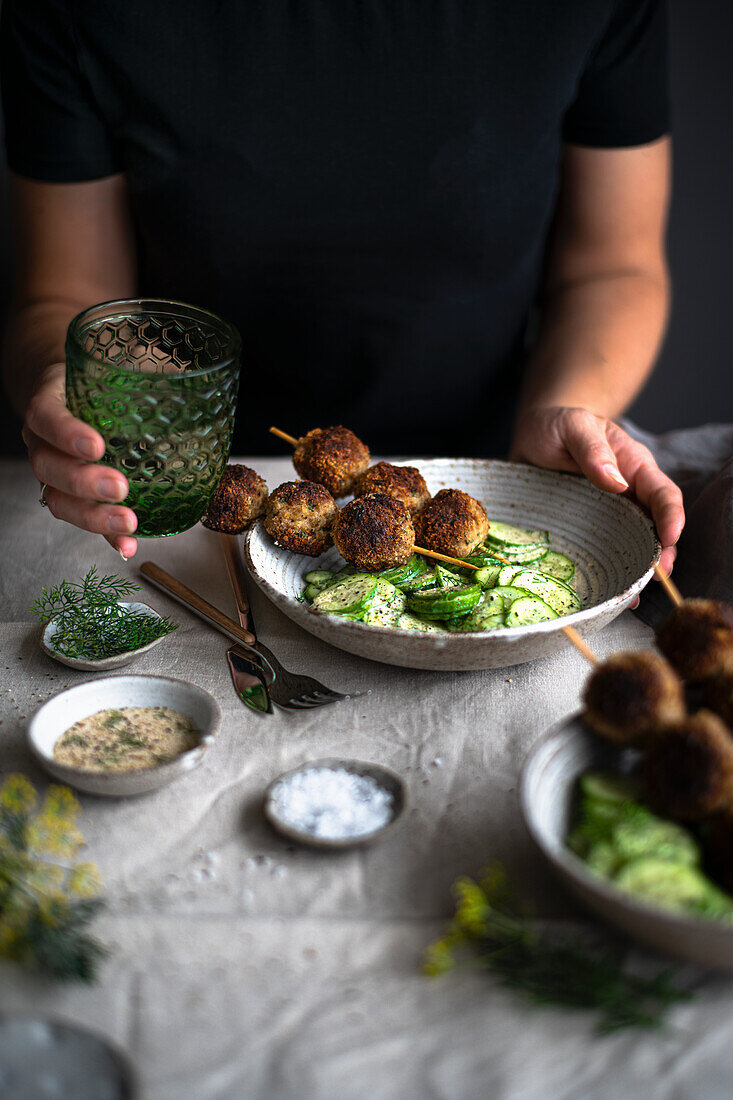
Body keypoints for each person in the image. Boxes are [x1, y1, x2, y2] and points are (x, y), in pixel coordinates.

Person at [1, 0, 684, 565]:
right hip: (177, 506)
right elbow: (62, 293)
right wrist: (66, 379)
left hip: (503, 471)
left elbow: (612, 266)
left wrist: (569, 408)